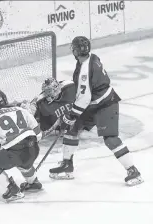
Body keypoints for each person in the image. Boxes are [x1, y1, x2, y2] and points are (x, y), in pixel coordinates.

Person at [51, 36, 144, 186]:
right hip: (93, 103)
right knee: (72, 129)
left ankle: (133, 171)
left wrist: (72, 114)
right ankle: (67, 164)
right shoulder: (92, 57)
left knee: (110, 138)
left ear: (75, 50)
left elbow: (85, 97)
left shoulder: (85, 70)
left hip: (105, 104)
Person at [0, 90, 43, 202]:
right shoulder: (21, 109)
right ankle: (33, 182)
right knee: (24, 162)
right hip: (33, 148)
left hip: (15, 153)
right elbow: (38, 133)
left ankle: (13, 190)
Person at [20, 77, 95, 133]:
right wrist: (29, 109)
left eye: (49, 91)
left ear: (56, 88)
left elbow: (87, 92)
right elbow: (33, 106)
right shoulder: (42, 100)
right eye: (45, 91)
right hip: (59, 125)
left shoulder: (70, 86)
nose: (47, 94)